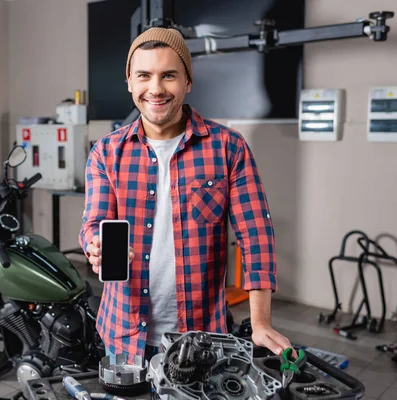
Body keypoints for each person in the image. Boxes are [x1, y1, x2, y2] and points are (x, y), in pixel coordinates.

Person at [78, 27, 292, 360]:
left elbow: (256, 236)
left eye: (169, 76)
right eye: (144, 76)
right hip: (123, 333)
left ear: (187, 82)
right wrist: (95, 244)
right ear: (130, 83)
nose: (156, 88)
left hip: (201, 337)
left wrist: (261, 322)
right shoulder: (106, 152)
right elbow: (94, 222)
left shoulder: (227, 147)